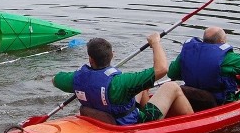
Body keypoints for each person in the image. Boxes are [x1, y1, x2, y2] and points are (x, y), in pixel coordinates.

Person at [52, 34, 193, 125]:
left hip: (102, 120)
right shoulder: (121, 82)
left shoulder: (76, 78)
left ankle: (148, 112)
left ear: (90, 59)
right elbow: (162, 69)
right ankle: (194, 123)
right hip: (128, 124)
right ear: (112, 55)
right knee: (172, 86)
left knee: (143, 86)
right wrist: (155, 43)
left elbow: (55, 79)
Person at [167, 26, 240, 105]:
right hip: (220, 101)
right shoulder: (227, 57)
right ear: (222, 42)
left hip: (191, 95)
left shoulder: (187, 53)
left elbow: (172, 73)